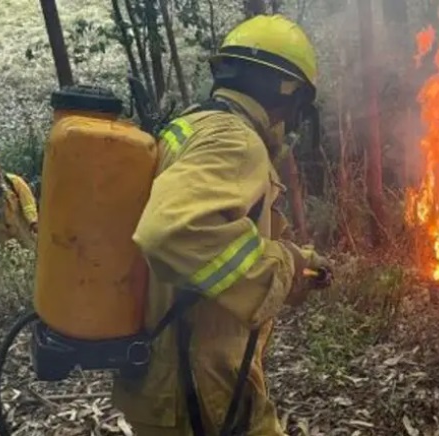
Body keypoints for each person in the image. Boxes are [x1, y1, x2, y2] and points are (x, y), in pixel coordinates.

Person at [112, 14, 332, 436]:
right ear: (286, 94)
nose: (294, 121)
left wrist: (300, 261)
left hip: (167, 374)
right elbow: (171, 234)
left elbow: (225, 236)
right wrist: (282, 267)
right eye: (298, 107)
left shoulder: (193, 127)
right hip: (199, 384)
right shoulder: (234, 140)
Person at [0, 153, 38, 253]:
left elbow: (28, 203)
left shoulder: (14, 182)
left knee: (33, 256)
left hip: (22, 230)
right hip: (1, 235)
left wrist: (33, 221)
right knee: (10, 262)